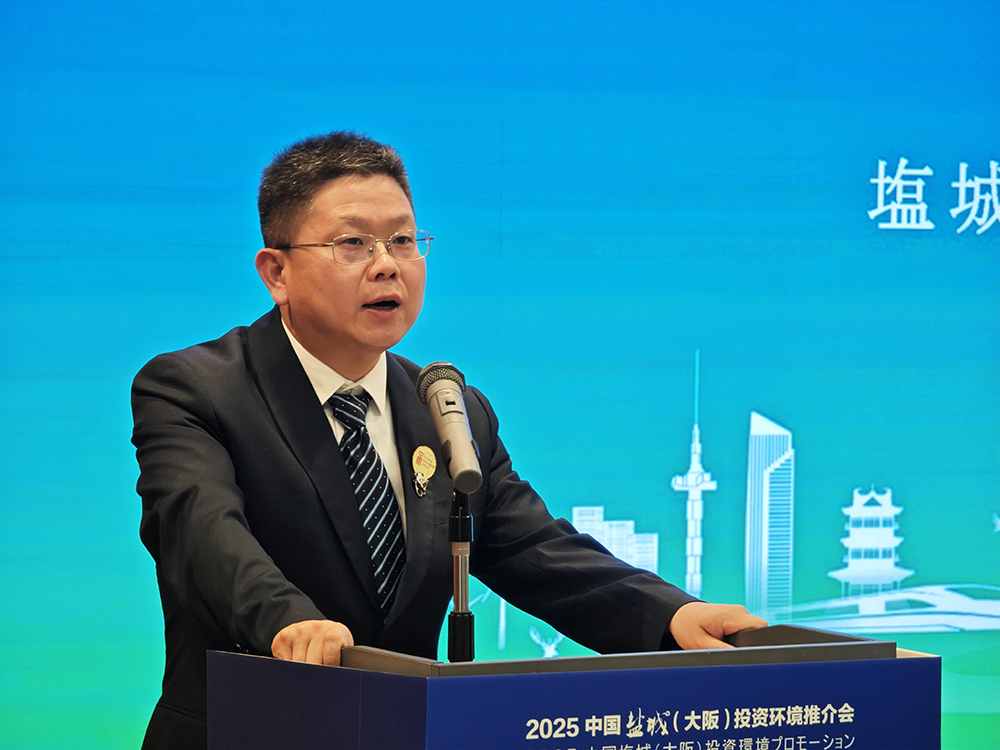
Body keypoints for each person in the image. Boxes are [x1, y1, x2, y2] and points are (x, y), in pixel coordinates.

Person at [131, 131, 766, 749]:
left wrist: (670, 615)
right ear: (277, 272)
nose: (387, 264)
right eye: (353, 243)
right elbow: (202, 533)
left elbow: (535, 550)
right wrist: (287, 620)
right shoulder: (196, 390)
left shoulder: (448, 409)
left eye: (403, 240)